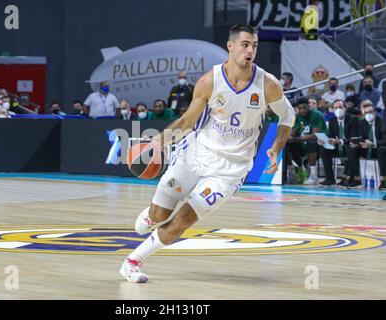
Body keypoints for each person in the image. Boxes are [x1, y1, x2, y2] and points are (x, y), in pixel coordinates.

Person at [119, 24, 295, 283]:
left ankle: (132, 262)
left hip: (230, 170)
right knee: (158, 216)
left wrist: (276, 147)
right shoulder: (209, 81)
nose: (250, 51)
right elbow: (188, 121)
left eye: (254, 46)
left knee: (182, 221)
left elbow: (287, 115)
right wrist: (159, 141)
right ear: (231, 46)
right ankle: (151, 215)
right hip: (195, 156)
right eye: (245, 44)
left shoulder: (267, 85)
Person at [318, 99, 359, 186]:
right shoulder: (332, 120)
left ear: (345, 108)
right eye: (336, 107)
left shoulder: (353, 119)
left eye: (340, 107)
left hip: (349, 146)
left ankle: (352, 178)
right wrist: (323, 140)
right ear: (332, 109)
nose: (338, 109)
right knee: (323, 149)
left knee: (351, 148)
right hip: (338, 147)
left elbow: (353, 138)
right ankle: (330, 179)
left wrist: (339, 141)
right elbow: (330, 135)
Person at [287, 97, 327, 185]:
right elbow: (295, 130)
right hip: (303, 140)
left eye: (304, 107)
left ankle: (314, 176)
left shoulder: (316, 114)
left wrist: (295, 139)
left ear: (308, 106)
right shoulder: (298, 116)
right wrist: (288, 137)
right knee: (289, 145)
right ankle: (299, 175)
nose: (302, 110)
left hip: (320, 141)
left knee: (310, 144)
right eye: (300, 108)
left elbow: (315, 135)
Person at [347, 101, 384, 188]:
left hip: (377, 148)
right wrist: (359, 143)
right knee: (351, 148)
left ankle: (384, 179)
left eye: (370, 112)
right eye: (366, 112)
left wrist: (373, 144)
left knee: (382, 149)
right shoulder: (363, 122)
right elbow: (361, 137)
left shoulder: (382, 122)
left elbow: (384, 140)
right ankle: (356, 179)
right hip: (366, 148)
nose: (368, 114)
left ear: (375, 113)